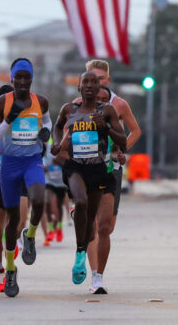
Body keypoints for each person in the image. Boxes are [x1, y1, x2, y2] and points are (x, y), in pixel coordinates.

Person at [53, 71, 127, 288]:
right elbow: (58, 127)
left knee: (102, 227)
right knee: (82, 202)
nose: (89, 86)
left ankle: (98, 277)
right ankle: (80, 253)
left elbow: (123, 141)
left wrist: (106, 127)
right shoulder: (69, 110)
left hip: (101, 170)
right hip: (76, 168)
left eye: (94, 82)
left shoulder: (108, 111)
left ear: (98, 89)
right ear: (79, 87)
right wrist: (57, 145)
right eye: (85, 82)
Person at [0, 58, 51, 297]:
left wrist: (47, 134)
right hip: (10, 165)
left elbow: (48, 126)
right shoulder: (2, 102)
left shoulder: (40, 101)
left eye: (27, 77)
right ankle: (11, 270)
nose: (23, 81)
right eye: (19, 77)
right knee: (11, 221)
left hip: (32, 161)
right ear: (12, 79)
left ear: (31, 79)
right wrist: (8, 121)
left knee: (39, 199)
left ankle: (31, 235)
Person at [81, 59, 141, 294]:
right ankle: (97, 278)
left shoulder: (119, 104)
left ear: (108, 80)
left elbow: (135, 130)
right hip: (86, 169)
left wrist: (121, 148)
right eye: (91, 78)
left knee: (106, 227)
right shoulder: (78, 104)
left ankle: (98, 271)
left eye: (101, 78)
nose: (96, 82)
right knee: (93, 225)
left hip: (111, 168)